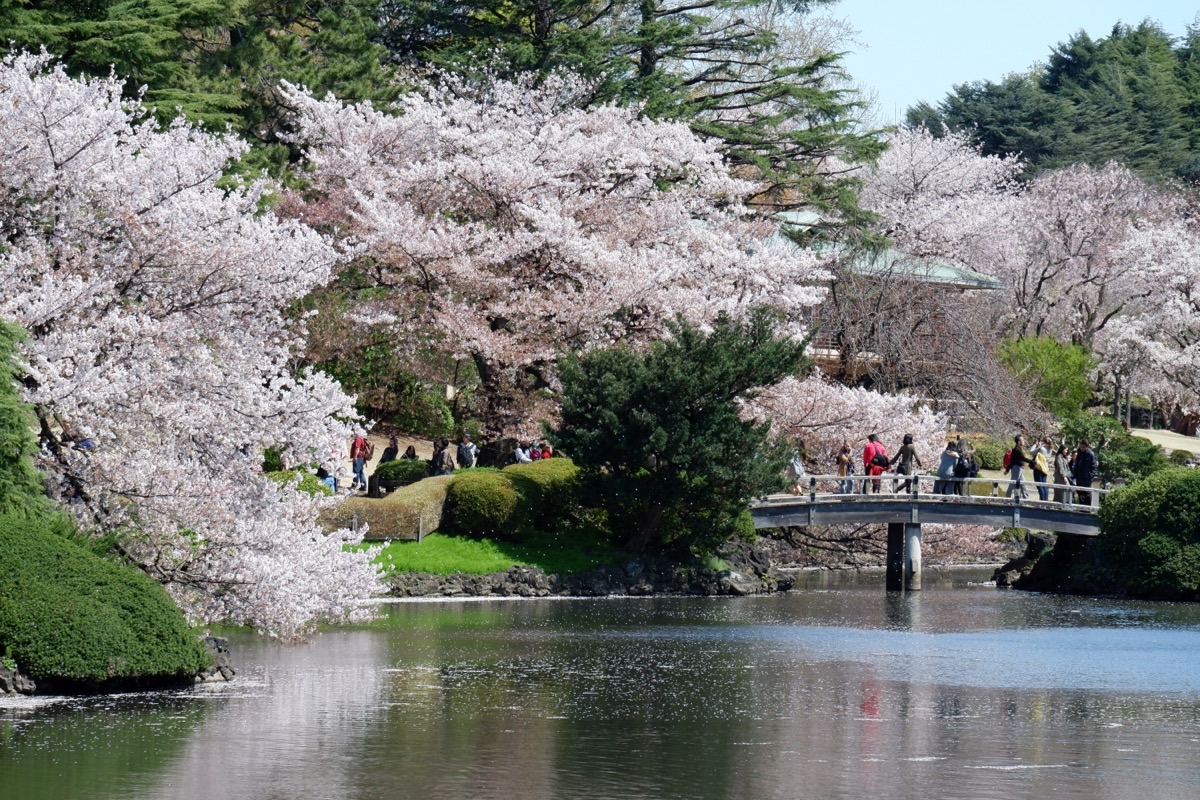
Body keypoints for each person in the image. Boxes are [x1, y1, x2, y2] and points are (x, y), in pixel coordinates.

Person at [1005, 434, 1033, 499]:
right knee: (1012, 484)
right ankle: (1006, 499)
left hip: (1019, 469)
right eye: (1022, 440)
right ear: (1018, 442)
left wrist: (1007, 470)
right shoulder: (1017, 450)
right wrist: (1033, 462)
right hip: (1016, 469)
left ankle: (1026, 498)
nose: (1024, 441)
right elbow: (1023, 458)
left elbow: (1014, 461)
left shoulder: (1018, 449)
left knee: (1023, 484)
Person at [1072, 439, 1097, 505]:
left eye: (1083, 447)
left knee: (1087, 493)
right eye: (1081, 447)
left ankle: (1087, 509)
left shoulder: (1090, 454)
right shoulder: (1079, 453)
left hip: (1086, 478)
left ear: (1087, 446)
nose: (1082, 448)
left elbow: (1094, 467)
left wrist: (1090, 476)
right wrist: (1075, 475)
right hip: (1079, 477)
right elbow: (1076, 464)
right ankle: (1081, 506)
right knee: (1079, 492)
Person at [1031, 436, 1052, 501]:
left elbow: (1031, 452)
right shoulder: (1050, 449)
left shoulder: (1041, 448)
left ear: (1043, 441)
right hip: (1045, 468)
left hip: (1038, 467)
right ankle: (1045, 500)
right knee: (1044, 485)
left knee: (1039, 485)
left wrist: (1035, 445)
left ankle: (1042, 500)